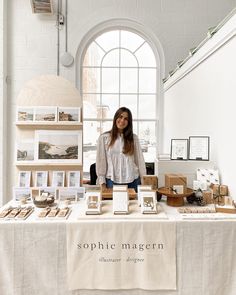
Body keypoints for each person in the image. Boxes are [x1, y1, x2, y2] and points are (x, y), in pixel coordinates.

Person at [96, 107, 146, 192]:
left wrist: (144, 181)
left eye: (126, 119)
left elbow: (139, 161)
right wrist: (102, 183)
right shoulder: (104, 138)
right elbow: (101, 162)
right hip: (112, 181)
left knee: (133, 205)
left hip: (133, 181)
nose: (122, 120)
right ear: (116, 118)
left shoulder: (134, 138)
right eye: (120, 117)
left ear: (129, 122)